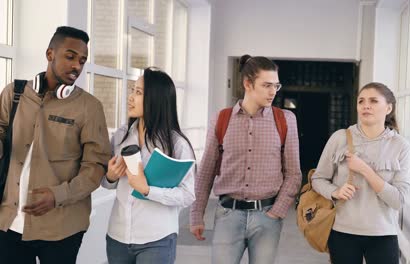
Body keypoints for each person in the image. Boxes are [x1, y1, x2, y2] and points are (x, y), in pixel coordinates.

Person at [0, 26, 111, 263]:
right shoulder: (13, 94)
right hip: (8, 222)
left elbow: (96, 166)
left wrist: (58, 195)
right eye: (70, 57)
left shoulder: (90, 108)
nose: (77, 67)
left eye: (82, 60)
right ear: (50, 54)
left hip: (62, 227)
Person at [190, 55, 302, 264]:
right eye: (266, 85)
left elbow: (294, 173)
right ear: (247, 84)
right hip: (227, 215)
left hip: (267, 216)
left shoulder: (285, 120)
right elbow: (206, 170)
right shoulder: (221, 119)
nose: (273, 92)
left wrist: (277, 211)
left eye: (276, 85)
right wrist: (197, 214)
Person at [102, 67, 196, 264]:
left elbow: (187, 195)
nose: (131, 97)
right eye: (132, 90)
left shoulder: (177, 144)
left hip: (157, 239)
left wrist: (147, 190)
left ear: (156, 98)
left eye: (138, 92)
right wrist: (110, 176)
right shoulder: (121, 135)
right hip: (118, 236)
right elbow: (107, 183)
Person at [312, 82, 410, 264]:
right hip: (343, 232)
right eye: (361, 101)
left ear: (388, 108)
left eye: (373, 101)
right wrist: (335, 192)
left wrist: (365, 169)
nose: (366, 105)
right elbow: (318, 179)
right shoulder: (340, 137)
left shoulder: (400, 146)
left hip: (383, 234)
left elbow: (398, 201)